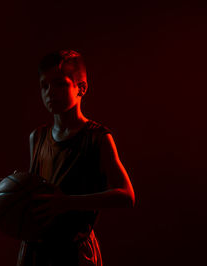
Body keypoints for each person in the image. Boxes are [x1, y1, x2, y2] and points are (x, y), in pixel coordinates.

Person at [16, 49, 135, 266]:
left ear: (81, 87)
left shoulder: (97, 137)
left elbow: (127, 195)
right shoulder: (38, 137)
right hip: (38, 248)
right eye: (44, 86)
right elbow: (35, 195)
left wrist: (67, 203)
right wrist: (12, 191)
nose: (50, 92)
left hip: (76, 250)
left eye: (59, 84)